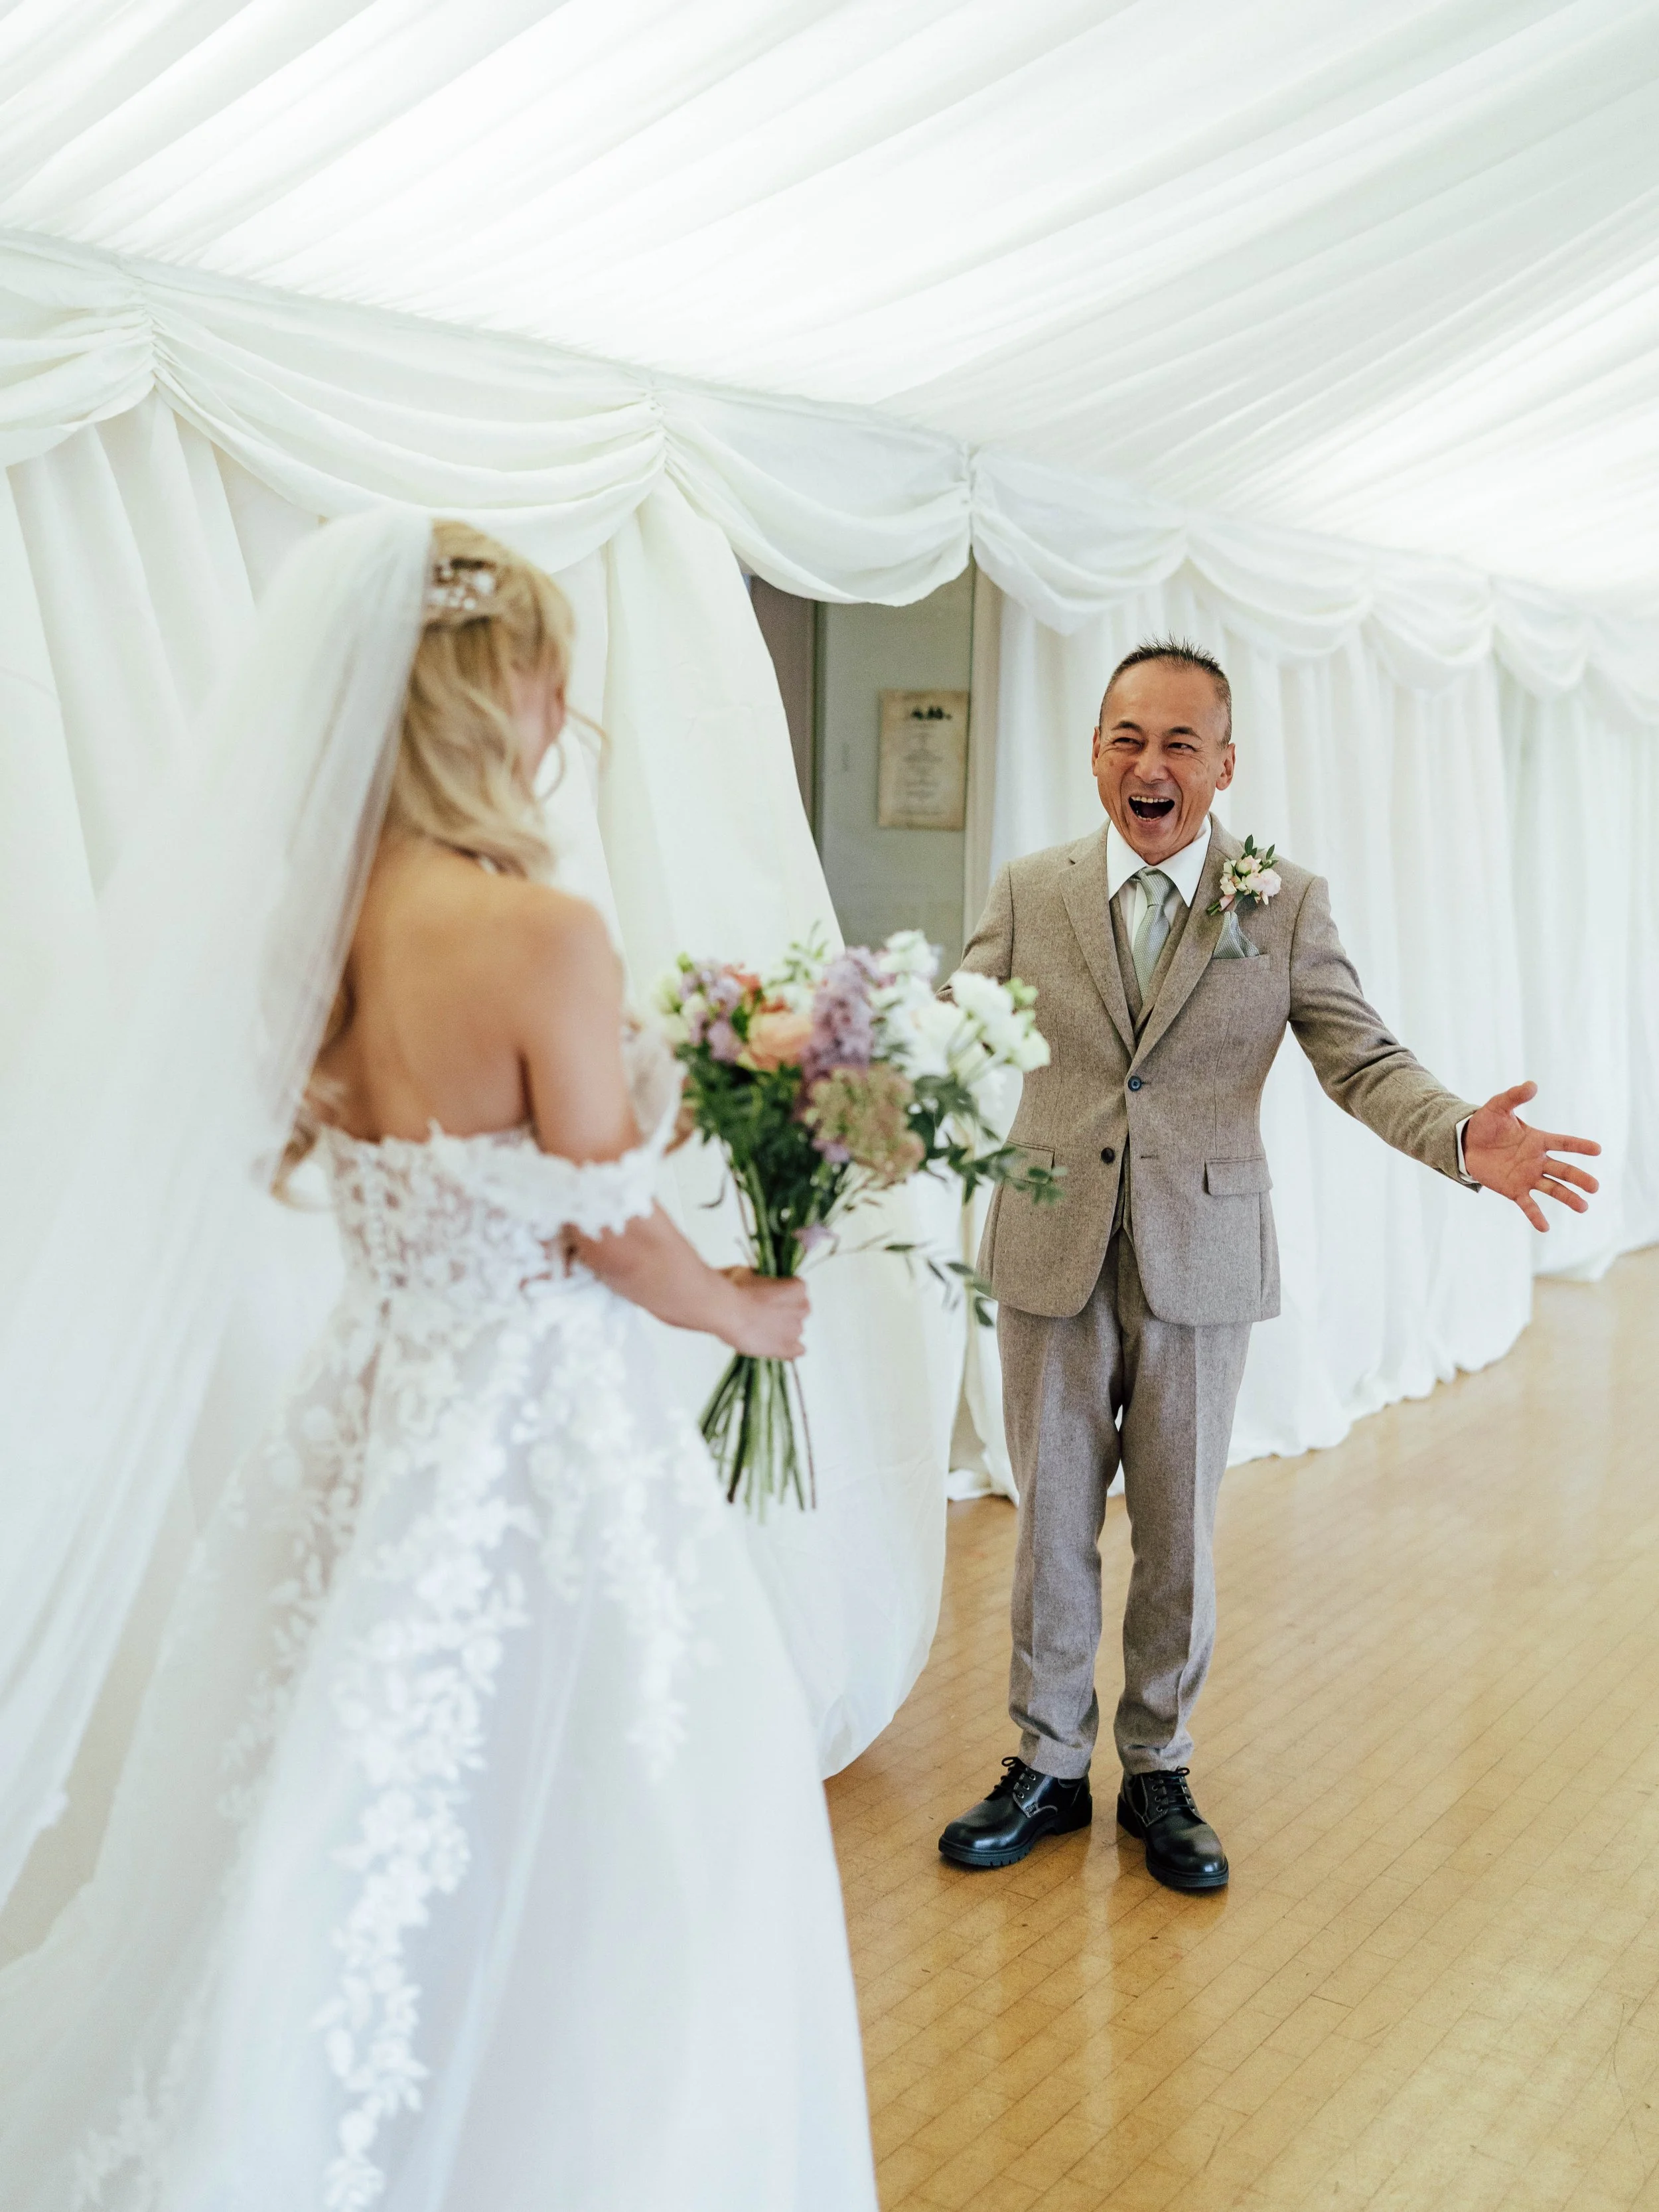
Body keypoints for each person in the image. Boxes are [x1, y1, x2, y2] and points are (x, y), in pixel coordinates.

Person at [0, 514, 877, 2210]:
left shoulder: (322, 921)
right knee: (611, 1797)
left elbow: (458, 1157)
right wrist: (746, 1311)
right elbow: (605, 1226)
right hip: (546, 1431)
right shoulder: (538, 928)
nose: (569, 715)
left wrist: (671, 1074)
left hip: (369, 1409)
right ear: (503, 690)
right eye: (555, 675)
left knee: (346, 1770)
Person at [938, 638, 1601, 1892]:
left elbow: (1362, 1061)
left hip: (1206, 1255)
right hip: (1049, 1243)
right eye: (1127, 738)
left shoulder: (1281, 901)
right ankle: (1043, 1767)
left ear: (1223, 763)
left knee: (1179, 1529)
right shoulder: (1030, 890)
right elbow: (952, 1032)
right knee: (1052, 1526)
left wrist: (1464, 1135)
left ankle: (1159, 1770)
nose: (1150, 763)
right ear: (1094, 754)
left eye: (1180, 743)